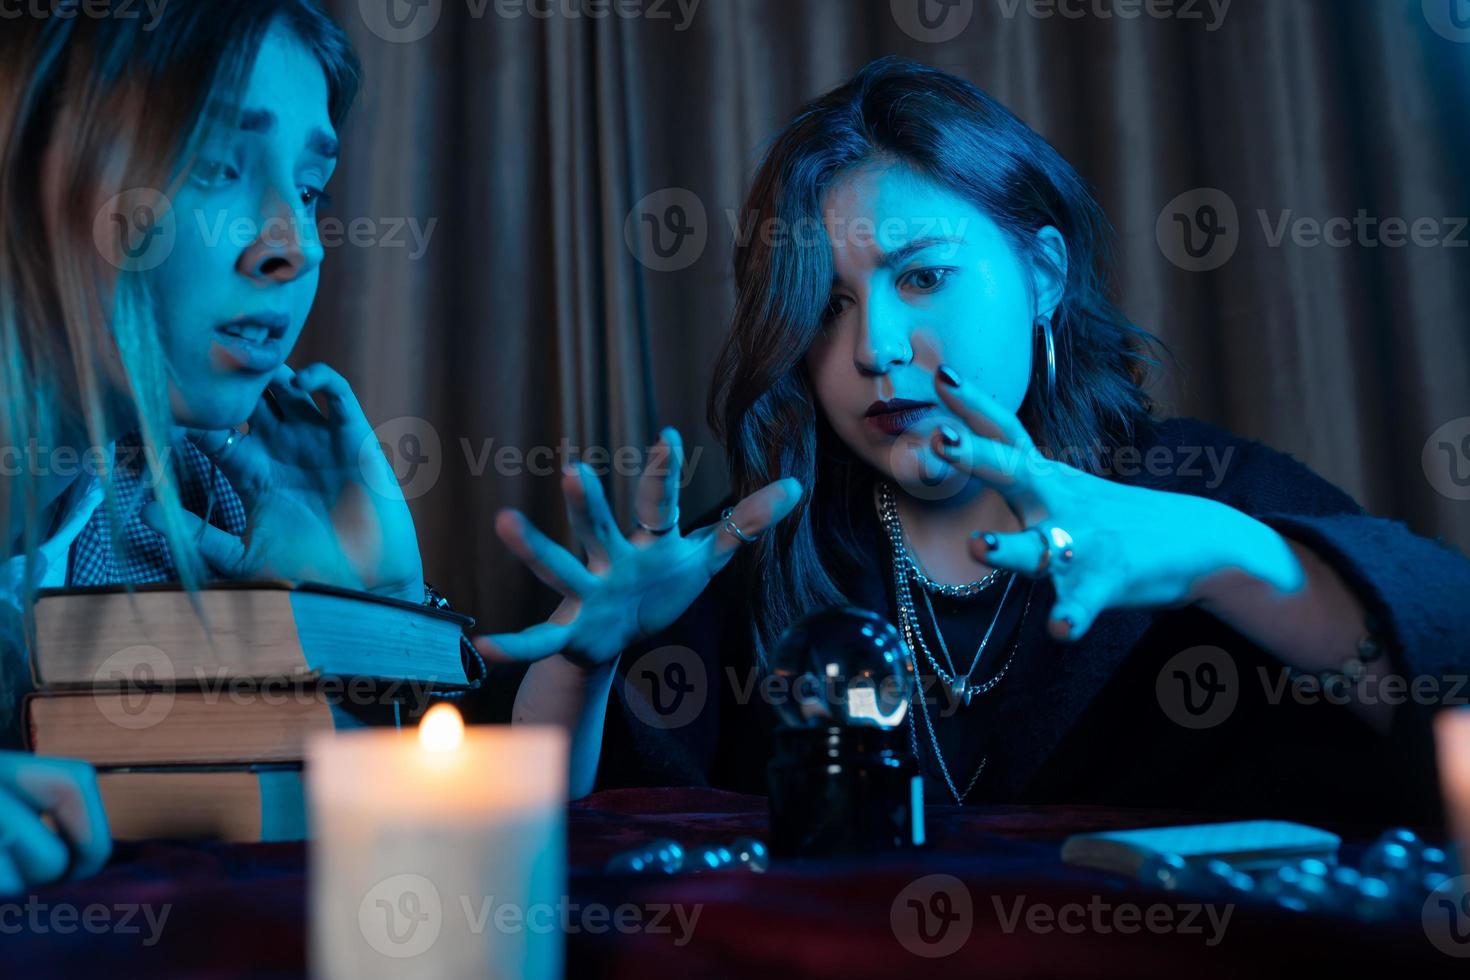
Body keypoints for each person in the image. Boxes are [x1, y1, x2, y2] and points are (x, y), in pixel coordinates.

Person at [487, 57, 1470, 824]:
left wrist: (1223, 555)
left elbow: (1445, 696)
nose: (872, 348)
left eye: (923, 278)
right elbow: (545, 851)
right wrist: (586, 664)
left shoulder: (1212, 489)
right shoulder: (738, 558)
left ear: (1042, 273)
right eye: (827, 307)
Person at [0, 3, 421, 894]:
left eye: (310, 190)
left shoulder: (209, 509)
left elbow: (414, 835)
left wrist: (380, 609)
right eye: (214, 163)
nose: (296, 246)